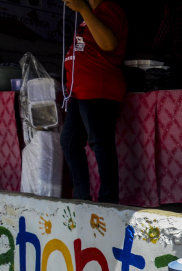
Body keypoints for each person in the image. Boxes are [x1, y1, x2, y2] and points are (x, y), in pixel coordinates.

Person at [60, 0, 128, 204]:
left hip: (99, 86)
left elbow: (108, 44)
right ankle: (82, 198)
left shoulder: (110, 8)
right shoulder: (92, 13)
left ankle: (108, 201)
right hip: (80, 91)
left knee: (100, 142)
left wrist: (84, 9)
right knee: (70, 141)